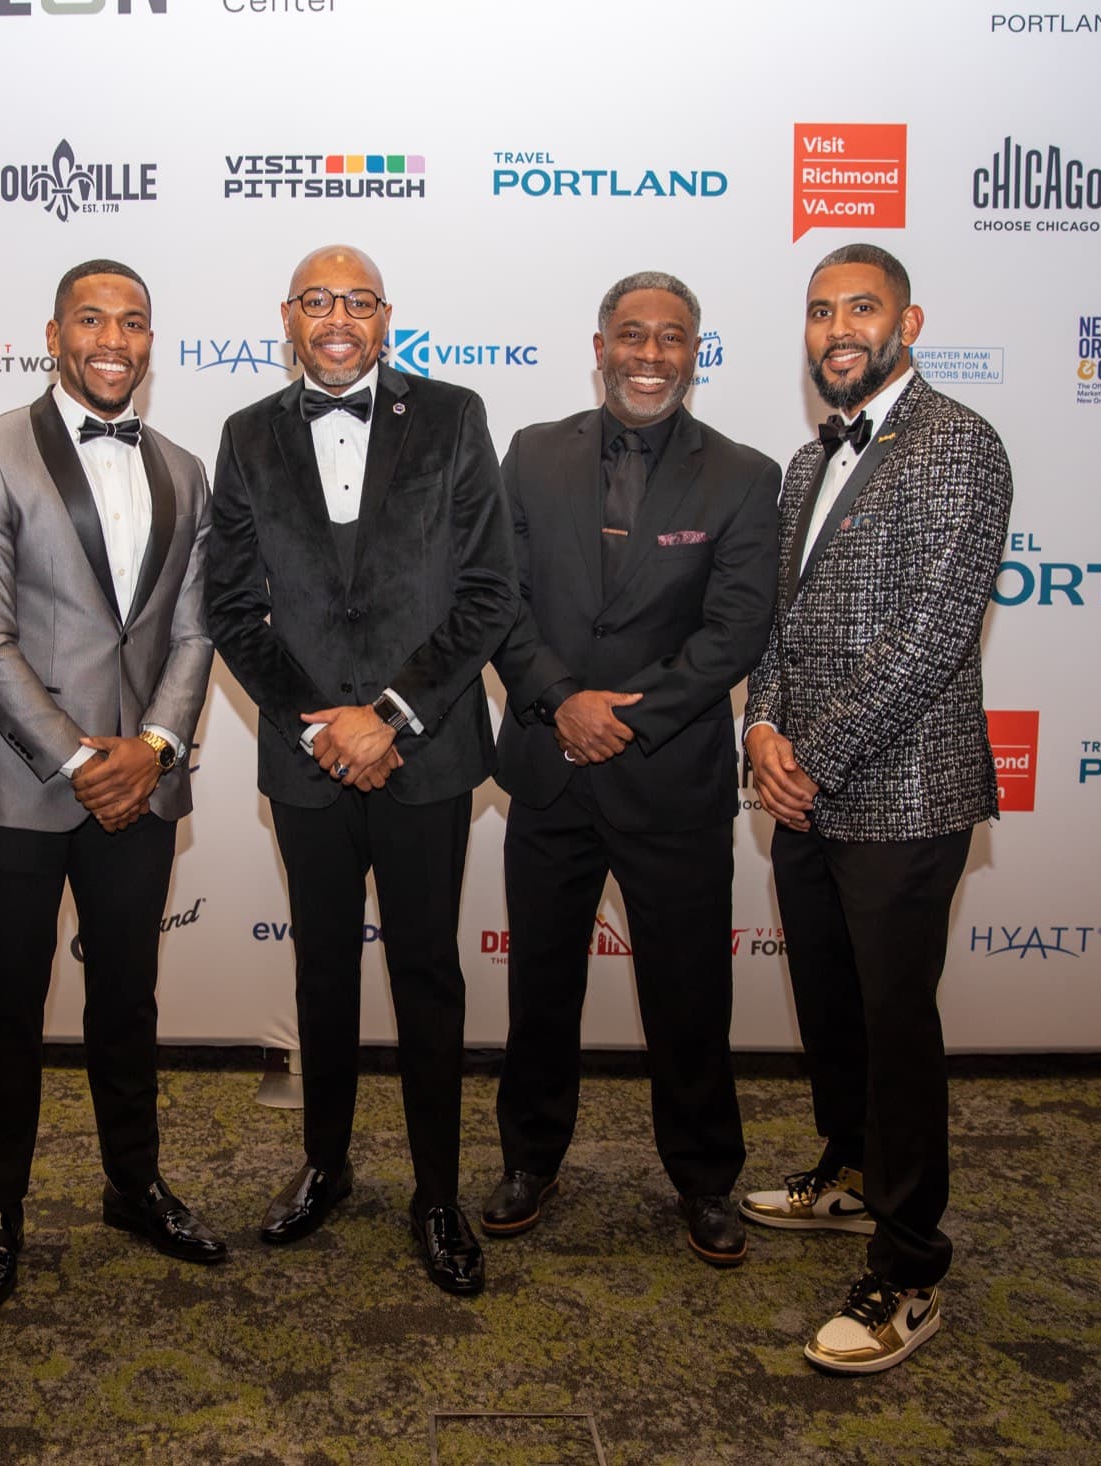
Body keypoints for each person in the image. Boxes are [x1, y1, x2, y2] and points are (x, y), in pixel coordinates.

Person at [205, 244, 517, 1296]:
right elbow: (230, 604)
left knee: (427, 972)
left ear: (387, 316)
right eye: (316, 301)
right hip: (306, 761)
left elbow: (487, 590)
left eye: (357, 300)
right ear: (285, 317)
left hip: (422, 753)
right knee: (322, 968)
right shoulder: (247, 435)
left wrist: (386, 716)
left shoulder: (454, 415)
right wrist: (318, 725)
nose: (336, 317)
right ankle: (326, 1163)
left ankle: (437, 1191)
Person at [740, 242, 1014, 1374]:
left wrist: (814, 752)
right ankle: (848, 1171)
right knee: (834, 1004)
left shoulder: (959, 443)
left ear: (910, 320)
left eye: (861, 307)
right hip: (801, 787)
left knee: (897, 1030)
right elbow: (776, 622)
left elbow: (932, 635)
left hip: (902, 792)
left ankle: (908, 1268)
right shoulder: (806, 463)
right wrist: (759, 727)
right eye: (819, 311)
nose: (837, 328)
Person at [0, 259, 221, 1312]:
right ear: (53, 334)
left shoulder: (187, 469)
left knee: (127, 996)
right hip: (22, 778)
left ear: (151, 341)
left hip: (142, 781)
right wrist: (79, 757)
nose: (114, 337)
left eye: (134, 321)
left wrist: (152, 745)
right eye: (92, 319)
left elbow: (195, 630)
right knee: (7, 1001)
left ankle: (133, 1182)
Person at [484, 271, 779, 1264]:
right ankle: (528, 1156)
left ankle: (705, 1177)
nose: (650, 355)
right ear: (599, 343)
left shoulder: (742, 475)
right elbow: (499, 602)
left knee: (690, 994)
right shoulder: (530, 454)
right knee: (540, 989)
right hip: (550, 764)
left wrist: (623, 716)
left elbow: (734, 629)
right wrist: (559, 700)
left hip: (669, 779)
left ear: (694, 352)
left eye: (672, 338)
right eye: (632, 335)